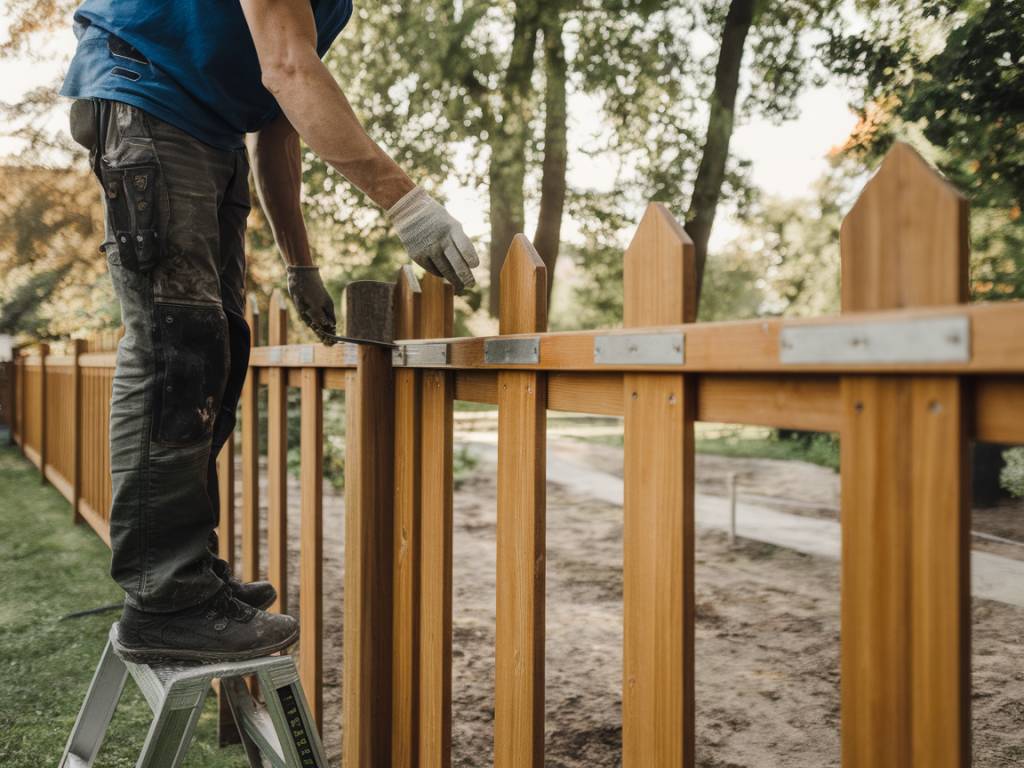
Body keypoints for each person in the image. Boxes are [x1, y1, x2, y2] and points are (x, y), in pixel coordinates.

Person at [61, 0, 478, 664]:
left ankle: (189, 572)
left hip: (209, 126)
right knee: (179, 348)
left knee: (221, 345)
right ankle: (164, 600)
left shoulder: (331, 7)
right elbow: (288, 68)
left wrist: (300, 260)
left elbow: (281, 129)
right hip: (147, 95)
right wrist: (405, 201)